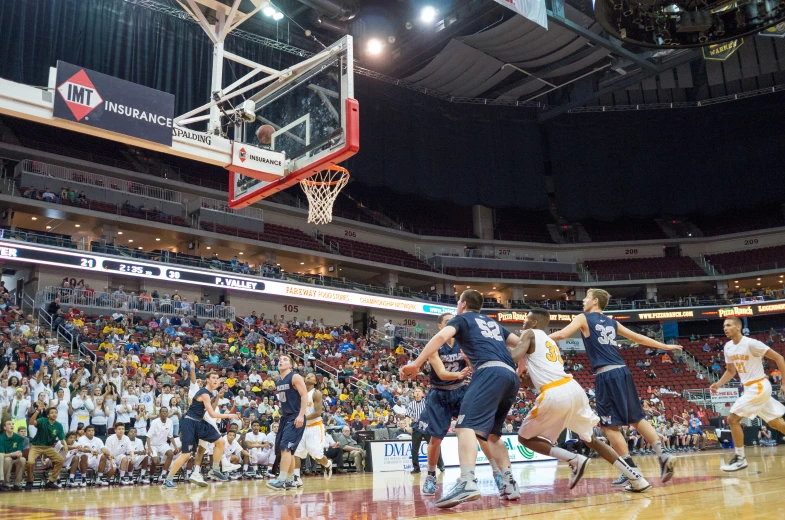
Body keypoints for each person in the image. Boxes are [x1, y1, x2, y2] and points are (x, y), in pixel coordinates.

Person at [401, 289, 522, 509]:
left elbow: (440, 338)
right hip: (453, 388)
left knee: (467, 428)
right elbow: (523, 344)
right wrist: (521, 369)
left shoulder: (462, 322)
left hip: (474, 382)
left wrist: (415, 364)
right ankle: (507, 482)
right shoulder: (491, 324)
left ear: (462, 305)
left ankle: (468, 481)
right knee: (491, 434)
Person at [549, 288, 681, 489]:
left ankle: (630, 470)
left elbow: (562, 334)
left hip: (606, 374)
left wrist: (538, 338)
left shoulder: (583, 318)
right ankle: (663, 454)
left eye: (586, 297)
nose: (583, 300)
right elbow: (640, 339)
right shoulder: (612, 322)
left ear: (594, 302)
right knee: (637, 419)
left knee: (609, 426)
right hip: (623, 372)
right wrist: (665, 347)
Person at [515, 309, 650, 492]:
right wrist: (527, 381)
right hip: (572, 388)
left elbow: (514, 356)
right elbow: (540, 377)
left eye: (525, 320)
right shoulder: (549, 342)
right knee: (592, 439)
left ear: (533, 323)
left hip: (554, 393)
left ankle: (574, 459)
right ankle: (637, 478)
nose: (523, 324)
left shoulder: (529, 333)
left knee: (524, 438)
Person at [710, 317, 785, 471]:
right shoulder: (728, 347)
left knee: (732, 418)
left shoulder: (751, 343)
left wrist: (784, 382)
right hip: (750, 388)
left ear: (738, 327)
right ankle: (740, 458)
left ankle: (740, 458)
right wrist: (718, 384)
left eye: (729, 325)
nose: (725, 328)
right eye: (724, 325)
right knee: (775, 423)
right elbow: (731, 371)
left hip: (759, 385)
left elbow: (779, 357)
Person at [417, 312, 472, 495]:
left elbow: (474, 366)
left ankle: (468, 475)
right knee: (436, 438)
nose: (452, 325)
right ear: (441, 326)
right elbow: (441, 373)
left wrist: (468, 360)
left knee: (469, 431)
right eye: (448, 322)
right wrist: (461, 374)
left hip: (460, 391)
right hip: (439, 393)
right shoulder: (434, 344)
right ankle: (431, 475)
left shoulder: (464, 342)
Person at [162, 371, 239, 489]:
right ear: (207, 380)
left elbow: (212, 403)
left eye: (217, 378)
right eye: (213, 378)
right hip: (190, 422)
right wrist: (230, 415)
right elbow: (212, 414)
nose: (216, 380)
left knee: (220, 442)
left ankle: (215, 470)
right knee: (186, 455)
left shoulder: (211, 392)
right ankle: (168, 480)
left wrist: (218, 388)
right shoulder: (204, 393)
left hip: (199, 422)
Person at [266, 355, 308, 491]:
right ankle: (290, 480)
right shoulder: (279, 381)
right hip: (285, 417)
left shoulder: (295, 377)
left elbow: (304, 395)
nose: (281, 361)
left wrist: (301, 415)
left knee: (285, 447)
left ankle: (281, 479)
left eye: (285, 360)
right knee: (284, 450)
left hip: (296, 416)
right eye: (280, 359)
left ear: (291, 365)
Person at [293, 373, 333, 485]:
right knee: (296, 452)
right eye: (307, 376)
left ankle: (327, 464)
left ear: (315, 382)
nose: (308, 377)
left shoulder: (316, 393)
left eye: (311, 376)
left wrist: (302, 418)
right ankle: (296, 478)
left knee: (316, 456)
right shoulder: (300, 393)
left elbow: (317, 413)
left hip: (315, 427)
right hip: (301, 428)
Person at [25, 404, 65, 489]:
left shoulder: (58, 425)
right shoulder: (43, 420)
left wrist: (65, 444)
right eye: (52, 413)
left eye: (55, 412)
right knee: (30, 462)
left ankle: (51, 481)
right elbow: (31, 422)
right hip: (36, 446)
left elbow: (62, 438)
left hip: (48, 447)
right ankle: (29, 480)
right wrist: (37, 411)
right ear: (48, 415)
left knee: (60, 460)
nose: (54, 414)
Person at [1, 418, 26, 490]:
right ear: (5, 427)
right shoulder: (1, 438)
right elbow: (2, 455)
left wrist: (19, 453)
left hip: (15, 459)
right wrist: (12, 454)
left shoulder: (19, 438)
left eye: (12, 424)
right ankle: (6, 484)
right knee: (8, 459)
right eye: (9, 424)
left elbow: (20, 452)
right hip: (4, 460)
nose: (11, 425)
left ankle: (17, 484)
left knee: (23, 459)